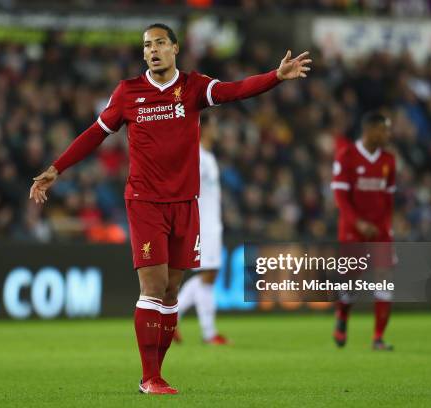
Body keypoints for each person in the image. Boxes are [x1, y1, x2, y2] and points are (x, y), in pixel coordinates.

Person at [30, 23, 312, 394]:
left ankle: (156, 372)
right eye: (147, 46)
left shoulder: (193, 87)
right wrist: (56, 168)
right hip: (145, 202)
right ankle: (150, 377)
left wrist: (275, 77)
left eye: (160, 43)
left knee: (171, 292)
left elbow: (234, 91)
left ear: (175, 48)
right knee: (153, 287)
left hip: (185, 203)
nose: (153, 50)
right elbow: (95, 133)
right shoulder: (129, 93)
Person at [330, 111, 396, 351]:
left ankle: (378, 338)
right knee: (351, 284)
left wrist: (386, 226)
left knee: (385, 280)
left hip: (379, 231)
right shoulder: (347, 155)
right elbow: (340, 197)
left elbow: (388, 199)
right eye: (384, 130)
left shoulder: (389, 160)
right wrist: (357, 223)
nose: (388, 134)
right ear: (370, 131)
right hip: (353, 230)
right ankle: (342, 317)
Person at [174, 117, 228, 345]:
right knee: (208, 275)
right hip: (203, 225)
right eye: (215, 126)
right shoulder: (196, 156)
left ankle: (204, 331)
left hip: (211, 223)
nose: (218, 130)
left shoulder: (208, 156)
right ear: (203, 128)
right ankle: (173, 318)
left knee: (208, 277)